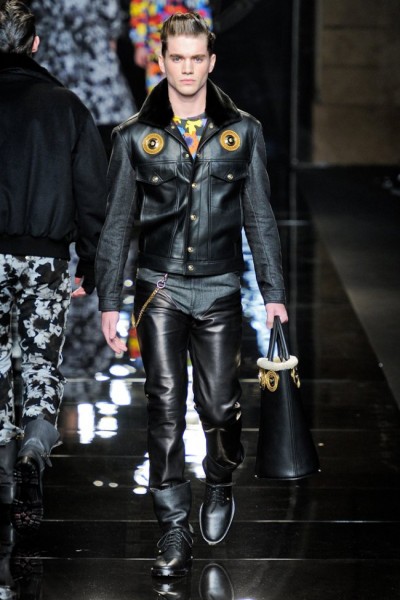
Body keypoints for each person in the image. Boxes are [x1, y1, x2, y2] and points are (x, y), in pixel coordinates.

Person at [96, 12, 288, 577]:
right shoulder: (134, 136)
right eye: (176, 58)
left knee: (221, 406)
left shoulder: (242, 132)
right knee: (163, 404)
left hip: (220, 286)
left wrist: (273, 292)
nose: (186, 69)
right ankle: (173, 525)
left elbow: (260, 216)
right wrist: (109, 302)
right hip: (158, 289)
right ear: (162, 61)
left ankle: (220, 479)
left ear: (210, 62)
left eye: (195, 58)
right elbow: (117, 225)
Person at [0, 0, 107, 533]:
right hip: (46, 258)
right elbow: (92, 194)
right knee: (41, 362)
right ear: (35, 44)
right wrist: (92, 261)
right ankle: (34, 450)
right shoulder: (65, 105)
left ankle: (3, 472)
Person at [30, 0, 137, 156]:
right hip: (97, 67)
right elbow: (112, 14)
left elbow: (35, 18)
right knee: (110, 147)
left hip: (57, 62)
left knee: (61, 141)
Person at [130, 0, 212, 93]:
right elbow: (138, 10)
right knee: (157, 92)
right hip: (156, 49)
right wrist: (140, 44)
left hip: (187, 47)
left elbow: (203, 12)